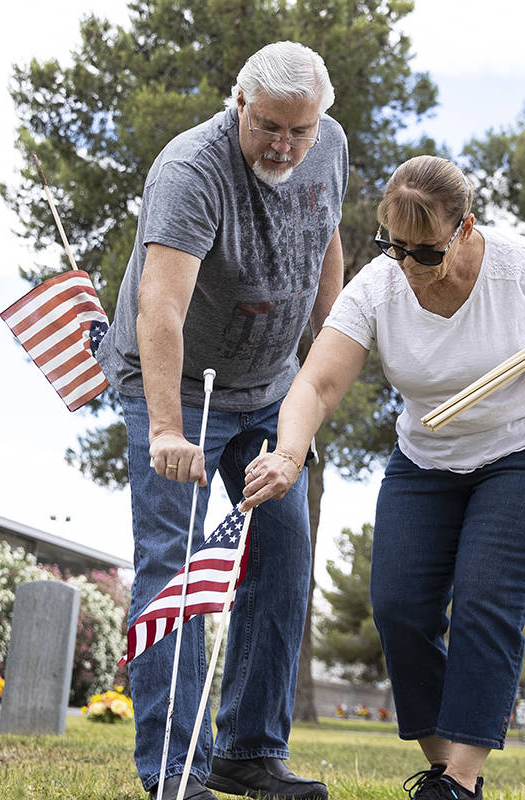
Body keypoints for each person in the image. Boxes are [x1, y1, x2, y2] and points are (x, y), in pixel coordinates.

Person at [241, 155, 525, 800]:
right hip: (426, 458)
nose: (406, 265)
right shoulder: (379, 286)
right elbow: (318, 380)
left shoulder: (518, 264)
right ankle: (442, 764)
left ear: (466, 229)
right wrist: (288, 453)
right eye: (392, 246)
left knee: (484, 601)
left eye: (424, 252)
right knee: (398, 607)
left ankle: (458, 781)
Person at [96, 41, 348, 800]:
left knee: (283, 558)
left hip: (270, 386)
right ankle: (174, 770)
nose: (285, 146)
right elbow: (160, 308)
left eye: (299, 131)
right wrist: (170, 430)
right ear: (239, 102)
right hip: (174, 386)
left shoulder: (327, 144)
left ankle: (250, 751)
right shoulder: (189, 170)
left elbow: (327, 241)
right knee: (172, 567)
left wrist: (321, 358)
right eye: (270, 125)